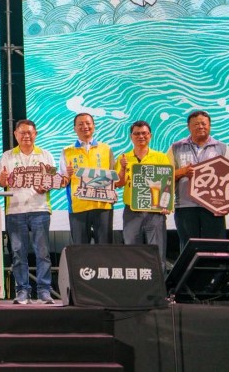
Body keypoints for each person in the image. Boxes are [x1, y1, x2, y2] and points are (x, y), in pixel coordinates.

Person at [0, 120, 56, 305]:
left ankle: (44, 291)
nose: (26, 136)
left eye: (29, 132)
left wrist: (45, 185)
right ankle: (22, 291)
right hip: (15, 210)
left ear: (35, 134)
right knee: (17, 253)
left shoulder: (46, 155)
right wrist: (2, 178)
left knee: (43, 253)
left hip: (40, 209)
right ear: (15, 134)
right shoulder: (7, 156)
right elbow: (1, 182)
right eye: (22, 133)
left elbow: (52, 180)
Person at [167, 110, 229, 249]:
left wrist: (226, 204)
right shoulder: (176, 147)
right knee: (188, 248)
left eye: (203, 123)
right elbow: (164, 176)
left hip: (214, 207)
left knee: (215, 248)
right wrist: (181, 172)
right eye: (196, 124)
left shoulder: (222, 148)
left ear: (210, 126)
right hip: (185, 206)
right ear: (188, 127)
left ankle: (214, 266)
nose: (200, 127)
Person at [114, 120, 171, 272]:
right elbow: (118, 183)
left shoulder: (160, 157)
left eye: (144, 133)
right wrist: (123, 168)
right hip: (132, 211)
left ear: (150, 135)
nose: (141, 136)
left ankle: (159, 286)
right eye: (137, 134)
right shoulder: (123, 158)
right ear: (131, 137)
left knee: (157, 252)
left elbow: (168, 183)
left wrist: (166, 204)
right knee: (132, 251)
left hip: (155, 212)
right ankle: (135, 286)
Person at [60, 113, 115, 244]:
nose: (85, 126)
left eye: (88, 123)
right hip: (78, 206)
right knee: (80, 248)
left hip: (103, 205)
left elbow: (113, 177)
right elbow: (62, 182)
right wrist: (67, 175)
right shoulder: (67, 151)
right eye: (80, 124)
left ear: (94, 126)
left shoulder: (106, 149)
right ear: (74, 128)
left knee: (105, 247)